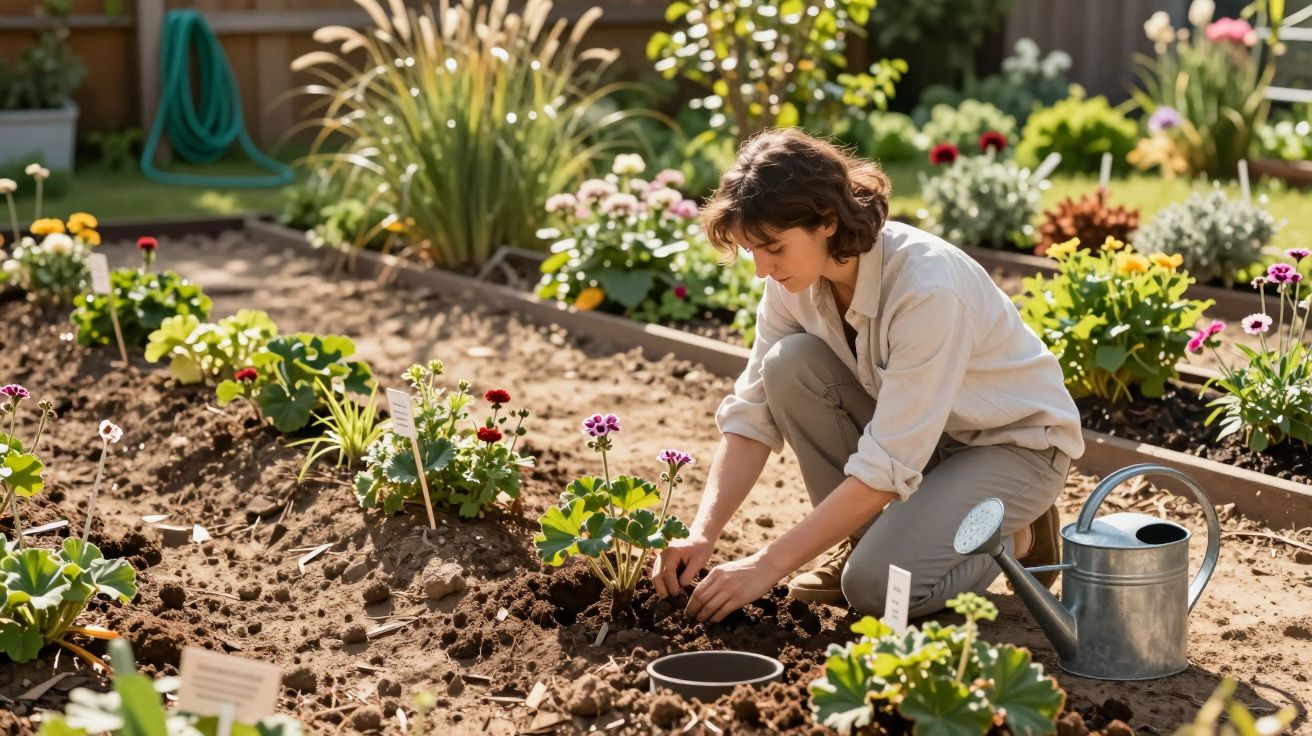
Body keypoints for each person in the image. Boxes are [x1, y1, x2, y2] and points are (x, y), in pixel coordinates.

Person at [650, 128, 1084, 623]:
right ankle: (868, 541)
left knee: (877, 590)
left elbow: (888, 463)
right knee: (788, 366)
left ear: (827, 221)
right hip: (924, 443)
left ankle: (1013, 534)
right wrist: (702, 533)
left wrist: (766, 565)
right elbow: (753, 414)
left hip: (1012, 447)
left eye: (773, 248)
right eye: (753, 251)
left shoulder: (926, 288)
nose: (761, 270)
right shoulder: (793, 281)